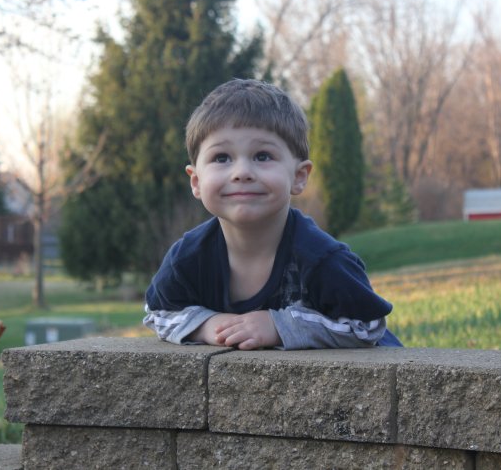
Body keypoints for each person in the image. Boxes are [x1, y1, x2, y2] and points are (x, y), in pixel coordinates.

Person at [143, 79, 401, 350]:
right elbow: (158, 313)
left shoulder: (321, 259)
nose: (242, 172)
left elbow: (368, 326)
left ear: (299, 176)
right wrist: (206, 325)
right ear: (196, 181)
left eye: (263, 156)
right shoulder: (187, 258)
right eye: (221, 158)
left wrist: (280, 326)